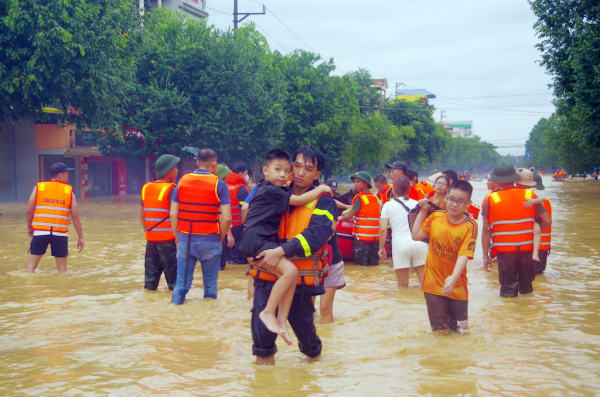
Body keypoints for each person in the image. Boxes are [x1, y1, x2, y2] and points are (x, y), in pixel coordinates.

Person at [248, 145, 335, 365]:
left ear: (317, 175)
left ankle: (312, 367)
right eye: (296, 166)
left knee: (309, 345)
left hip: (300, 285)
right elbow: (253, 224)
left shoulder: (323, 201)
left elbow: (316, 237)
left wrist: (281, 251)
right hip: (267, 277)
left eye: (308, 169)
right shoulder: (276, 191)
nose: (299, 172)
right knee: (262, 345)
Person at [412, 180, 478, 333]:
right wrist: (423, 211)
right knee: (440, 332)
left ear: (468, 203)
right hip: (432, 285)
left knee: (461, 332)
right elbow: (416, 236)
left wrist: (453, 277)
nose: (454, 205)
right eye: (452, 199)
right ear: (447, 197)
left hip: (458, 287)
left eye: (460, 202)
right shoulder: (435, 217)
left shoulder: (471, 225)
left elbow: (464, 254)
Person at [170, 148, 231, 304]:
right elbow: (227, 218)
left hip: (186, 239)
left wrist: (178, 239)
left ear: (197, 163)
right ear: (214, 164)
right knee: (210, 287)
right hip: (210, 240)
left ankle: (175, 310)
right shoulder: (219, 184)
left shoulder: (182, 181)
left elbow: (173, 214)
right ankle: (209, 321)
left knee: (181, 284)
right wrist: (220, 239)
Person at [481, 164, 551, 297]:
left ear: (496, 181)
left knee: (508, 291)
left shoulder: (491, 198)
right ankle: (527, 314)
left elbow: (486, 231)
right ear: (514, 178)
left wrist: (485, 257)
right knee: (526, 289)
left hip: (505, 252)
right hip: (527, 251)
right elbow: (547, 221)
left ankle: (511, 316)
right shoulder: (529, 194)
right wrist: (532, 234)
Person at [26, 163, 84, 273]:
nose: (68, 178)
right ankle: (61, 289)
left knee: (30, 269)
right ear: (60, 175)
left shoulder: (39, 187)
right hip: (60, 234)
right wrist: (80, 237)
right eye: (67, 175)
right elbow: (75, 216)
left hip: (40, 233)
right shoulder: (68, 191)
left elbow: (29, 210)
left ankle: (29, 289)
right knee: (62, 270)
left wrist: (29, 227)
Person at [379, 176, 427, 287]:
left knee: (403, 286)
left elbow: (382, 228)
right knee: (425, 284)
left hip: (400, 244)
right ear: (409, 190)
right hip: (419, 242)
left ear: (393, 190)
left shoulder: (387, 205)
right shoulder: (417, 204)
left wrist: (381, 248)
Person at [140, 154, 179, 290]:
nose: (177, 170)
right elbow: (175, 216)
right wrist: (178, 240)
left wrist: (151, 234)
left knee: (150, 285)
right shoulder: (171, 189)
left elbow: (142, 216)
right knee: (174, 284)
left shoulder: (146, 188)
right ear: (168, 171)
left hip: (151, 242)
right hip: (168, 243)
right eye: (175, 168)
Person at [339, 171, 380, 266]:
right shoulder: (376, 198)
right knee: (373, 267)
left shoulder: (359, 198)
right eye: (355, 182)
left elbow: (348, 217)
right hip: (375, 240)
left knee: (361, 268)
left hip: (362, 240)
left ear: (365, 183)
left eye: (358, 181)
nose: (355, 184)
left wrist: (337, 218)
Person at [320, 177, 345, 323]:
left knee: (325, 308)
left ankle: (327, 341)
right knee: (307, 307)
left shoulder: (330, 202)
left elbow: (331, 231)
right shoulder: (299, 201)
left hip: (331, 258)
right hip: (308, 261)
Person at [220, 161, 250, 270]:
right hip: (239, 224)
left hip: (225, 223)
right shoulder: (240, 189)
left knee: (227, 251)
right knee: (238, 250)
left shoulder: (223, 186)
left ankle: (230, 260)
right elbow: (245, 208)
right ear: (241, 173)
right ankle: (237, 261)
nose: (247, 175)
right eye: (246, 172)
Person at [515, 168, 547, 262]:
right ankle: (497, 254)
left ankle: (535, 253)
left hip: (533, 218)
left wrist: (534, 201)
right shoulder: (514, 191)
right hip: (521, 218)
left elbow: (542, 198)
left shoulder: (532, 190)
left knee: (537, 229)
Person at [532, 172, 552, 274]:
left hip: (534, 245)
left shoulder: (535, 202)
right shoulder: (545, 201)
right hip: (543, 246)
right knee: (538, 275)